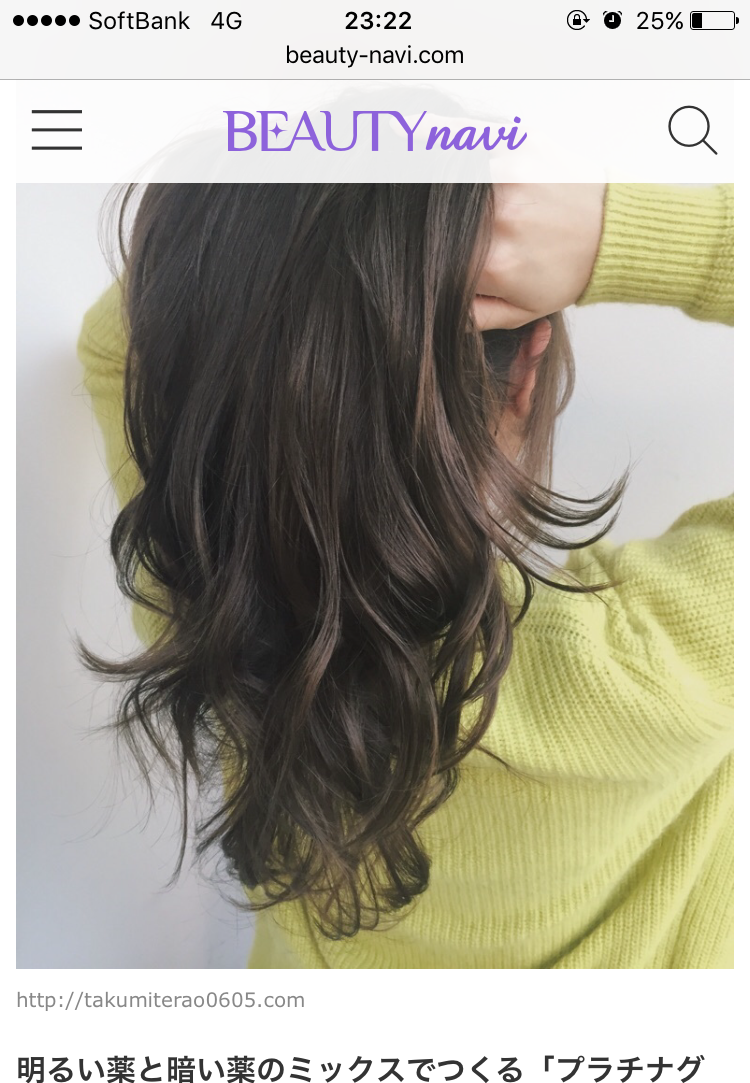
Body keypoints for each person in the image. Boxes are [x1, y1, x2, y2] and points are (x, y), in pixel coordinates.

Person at [78, 183, 733, 969]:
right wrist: (632, 237)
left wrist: (287, 250)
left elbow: (119, 333)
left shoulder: (203, 592)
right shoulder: (653, 666)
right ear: (528, 370)